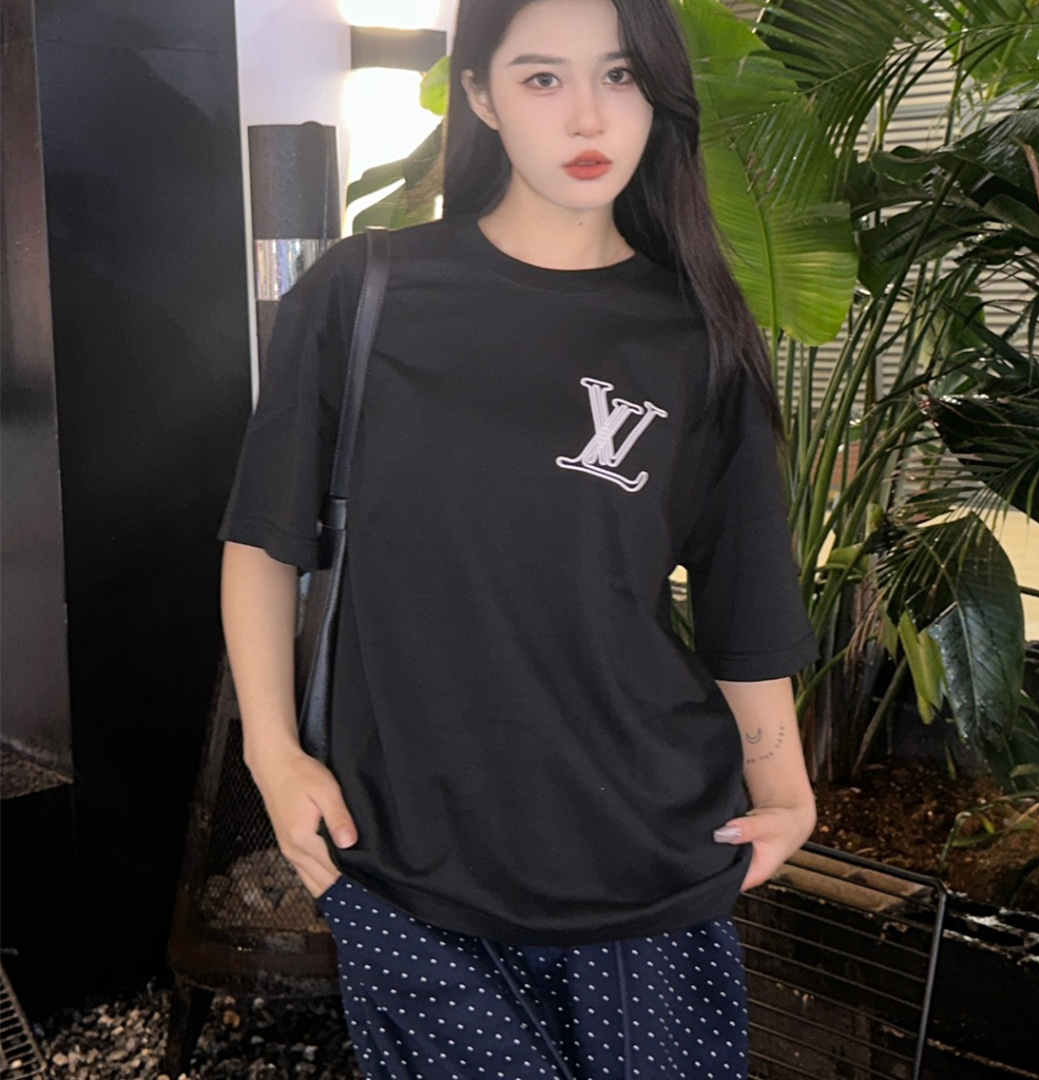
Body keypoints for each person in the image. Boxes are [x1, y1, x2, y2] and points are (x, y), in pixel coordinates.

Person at [218, 0, 820, 1076]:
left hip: (644, 863)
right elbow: (264, 543)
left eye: (621, 76)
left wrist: (783, 790)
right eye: (543, 78)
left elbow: (747, 602)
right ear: (483, 96)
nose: (588, 115)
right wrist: (273, 755)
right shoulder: (364, 294)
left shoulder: (698, 332)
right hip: (409, 861)